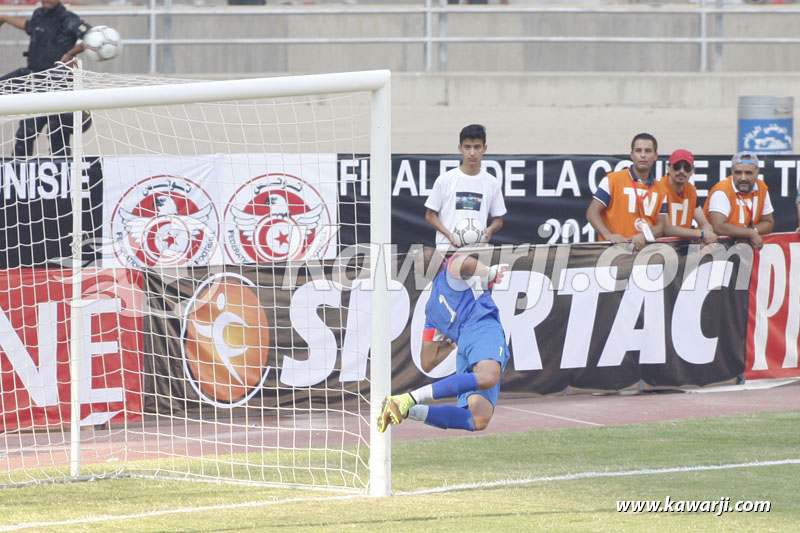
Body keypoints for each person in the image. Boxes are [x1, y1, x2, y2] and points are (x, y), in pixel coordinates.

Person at [377, 247, 510, 433]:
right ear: (441, 257)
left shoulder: (431, 310)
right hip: (482, 327)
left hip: (465, 344)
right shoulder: (452, 266)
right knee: (488, 376)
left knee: (477, 420)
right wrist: (490, 272)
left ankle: (405, 409)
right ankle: (407, 399)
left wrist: (452, 344)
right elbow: (466, 263)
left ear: (423, 275)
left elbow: (428, 362)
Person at [0, 0, 91, 157]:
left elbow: (91, 36)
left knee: (57, 133)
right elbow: (29, 25)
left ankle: (64, 175)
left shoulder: (68, 19)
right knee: (26, 132)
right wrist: (5, 18)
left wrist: (71, 53)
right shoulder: (39, 15)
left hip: (59, 82)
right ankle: (20, 171)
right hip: (34, 80)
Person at [424, 124, 507, 250]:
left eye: (477, 147)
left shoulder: (492, 182)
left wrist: (489, 230)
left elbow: (498, 219)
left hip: (477, 250)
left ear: (484, 148)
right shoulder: (445, 180)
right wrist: (449, 235)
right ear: (460, 148)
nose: (472, 153)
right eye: (467, 147)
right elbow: (430, 215)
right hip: (447, 250)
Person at [585, 132, 668, 251]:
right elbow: (592, 213)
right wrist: (609, 235)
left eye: (648, 151)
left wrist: (644, 235)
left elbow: (660, 226)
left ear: (655, 156)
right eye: (638, 150)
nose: (643, 155)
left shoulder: (661, 189)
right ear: (632, 155)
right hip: (613, 251)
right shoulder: (612, 179)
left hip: (644, 253)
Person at [704, 151, 774, 250]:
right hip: (715, 250)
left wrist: (751, 231)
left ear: (757, 172)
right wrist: (750, 233)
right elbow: (718, 227)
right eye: (738, 172)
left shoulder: (761, 188)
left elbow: (768, 222)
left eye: (748, 173)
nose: (743, 178)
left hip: (742, 250)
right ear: (732, 171)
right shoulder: (722, 190)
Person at [656, 149, 717, 244]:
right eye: (677, 167)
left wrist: (706, 238)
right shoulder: (659, 189)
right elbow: (666, 229)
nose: (682, 171)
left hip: (684, 246)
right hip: (662, 246)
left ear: (692, 171)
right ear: (668, 168)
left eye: (687, 168)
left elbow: (704, 223)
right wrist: (701, 234)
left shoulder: (691, 190)